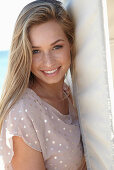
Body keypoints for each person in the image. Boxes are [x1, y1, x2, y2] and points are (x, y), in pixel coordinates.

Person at [0, 0, 87, 169]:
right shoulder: (24, 112)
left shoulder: (67, 92)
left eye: (56, 47)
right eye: (36, 51)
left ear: (70, 43)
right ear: (24, 54)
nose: (48, 62)